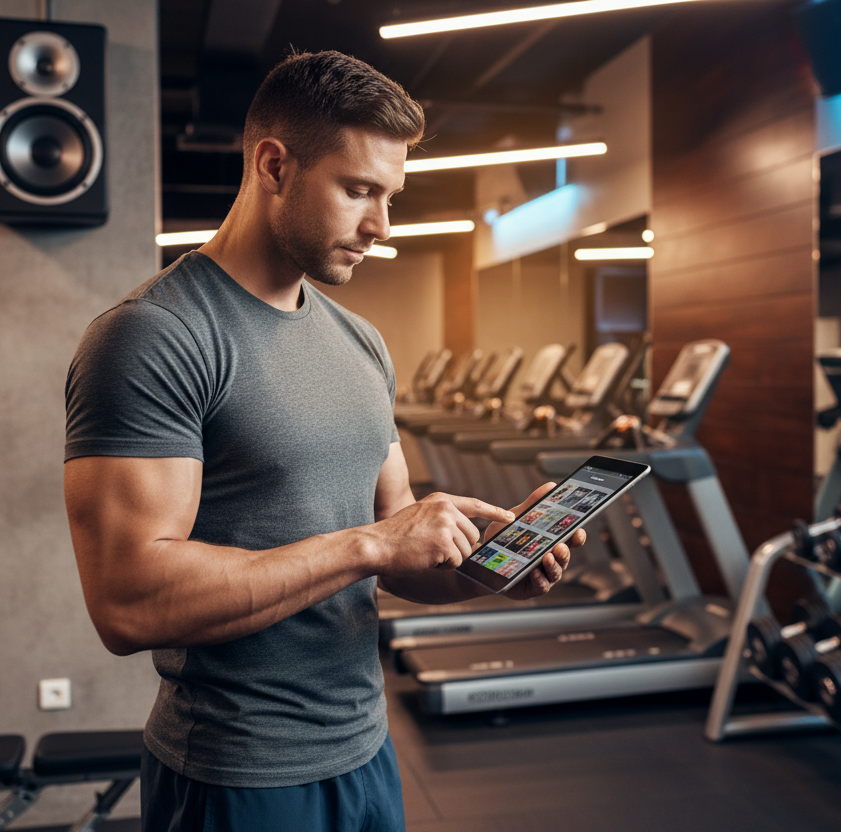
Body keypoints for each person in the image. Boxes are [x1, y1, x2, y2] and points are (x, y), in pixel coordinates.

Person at [63, 51, 583, 832]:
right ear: (274, 165)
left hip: (366, 754)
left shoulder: (363, 343)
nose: (381, 226)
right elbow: (127, 601)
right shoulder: (155, 338)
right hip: (239, 775)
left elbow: (401, 543)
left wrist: (489, 566)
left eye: (391, 197)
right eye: (358, 190)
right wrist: (370, 545)